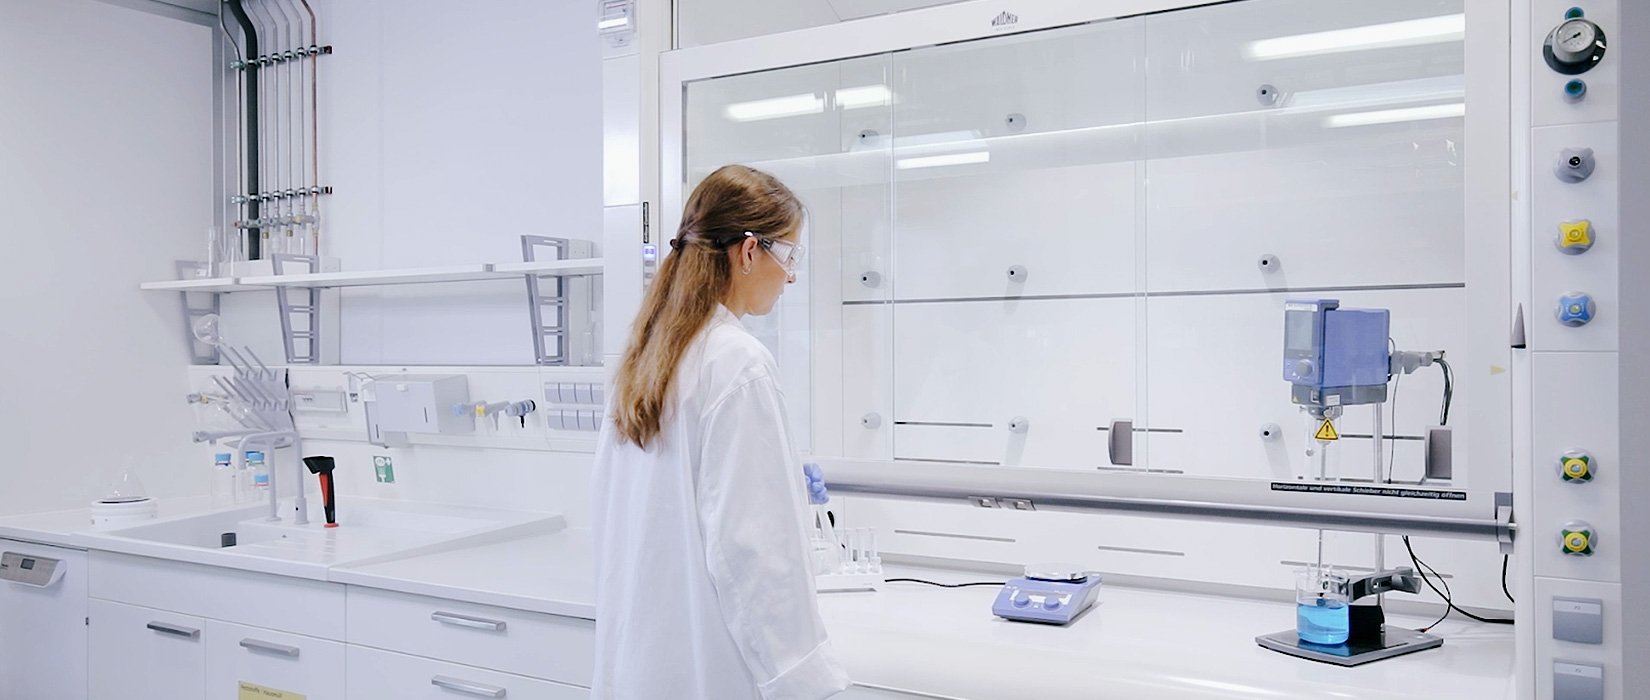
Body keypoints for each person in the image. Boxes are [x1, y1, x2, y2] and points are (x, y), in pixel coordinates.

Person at [592, 164, 852, 700]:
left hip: (642, 666)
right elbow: (754, 553)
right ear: (750, 250)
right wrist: (806, 682)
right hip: (709, 672)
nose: (792, 276)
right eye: (790, 256)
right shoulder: (736, 361)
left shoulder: (648, 355)